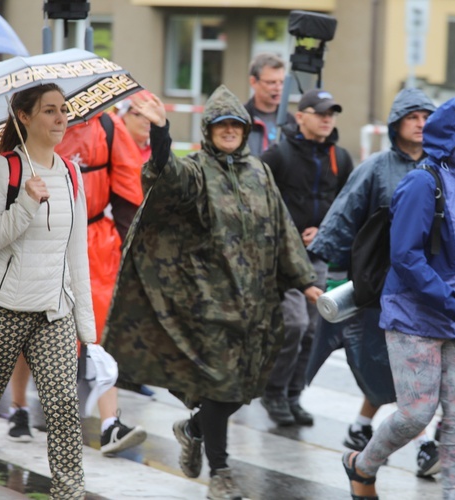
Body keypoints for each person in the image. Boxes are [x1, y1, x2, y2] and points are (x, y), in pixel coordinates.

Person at [100, 85, 322, 500]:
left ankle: (194, 428)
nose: (229, 130)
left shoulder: (260, 173)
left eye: (235, 124)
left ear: (244, 129)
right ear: (208, 129)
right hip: (208, 301)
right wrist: (162, 133)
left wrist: (305, 280)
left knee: (243, 385)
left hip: (256, 303)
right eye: (221, 124)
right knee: (222, 383)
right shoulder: (197, 170)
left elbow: (283, 228)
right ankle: (220, 473)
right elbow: (165, 179)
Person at [341, 95, 455, 500]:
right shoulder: (422, 182)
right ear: (453, 135)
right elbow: (405, 258)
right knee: (416, 414)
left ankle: (453, 495)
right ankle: (361, 465)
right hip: (414, 318)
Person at [0, 83, 94, 498]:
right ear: (24, 117)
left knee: (63, 406)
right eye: (49, 111)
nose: (61, 118)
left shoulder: (71, 174)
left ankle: (69, 493)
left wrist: (86, 325)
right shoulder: (0, 169)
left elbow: (75, 254)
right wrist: (25, 205)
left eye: (64, 110)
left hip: (53, 311)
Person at [307, 88, 440, 476]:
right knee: (398, 365)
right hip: (385, 285)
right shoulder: (375, 167)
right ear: (396, 123)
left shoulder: (442, 166)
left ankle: (364, 426)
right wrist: (323, 263)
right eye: (412, 116)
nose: (420, 123)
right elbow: (345, 216)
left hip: (430, 286)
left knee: (412, 365)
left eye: (426, 117)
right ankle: (424, 443)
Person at [5, 107, 148, 454]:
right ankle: (19, 408)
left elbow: (128, 189)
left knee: (97, 329)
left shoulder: (108, 127)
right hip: (38, 235)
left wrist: (135, 253)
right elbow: (4, 183)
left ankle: (110, 423)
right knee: (29, 325)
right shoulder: (24, 126)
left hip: (93, 241)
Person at [259, 88, 353, 427]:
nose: (327, 119)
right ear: (301, 117)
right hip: (283, 258)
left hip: (319, 257)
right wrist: (289, 233)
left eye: (332, 113)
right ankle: (273, 392)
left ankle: (293, 395)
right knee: (294, 324)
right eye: (321, 113)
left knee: (314, 330)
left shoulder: (340, 158)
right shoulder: (278, 155)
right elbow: (258, 201)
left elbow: (346, 206)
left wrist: (324, 229)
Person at [245, 53, 296, 156]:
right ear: (253, 82)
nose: (278, 88)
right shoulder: (241, 118)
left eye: (282, 82)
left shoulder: (290, 121)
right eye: (271, 82)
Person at [115, 90, 152, 162]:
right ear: (124, 116)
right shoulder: (113, 151)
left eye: (151, 114)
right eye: (138, 114)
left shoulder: (160, 150)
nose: (147, 120)